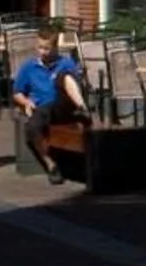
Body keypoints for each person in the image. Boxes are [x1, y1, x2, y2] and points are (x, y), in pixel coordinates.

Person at [10, 27, 91, 180]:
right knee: (32, 128)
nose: (42, 52)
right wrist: (26, 101)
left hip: (64, 106)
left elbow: (76, 84)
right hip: (42, 108)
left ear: (55, 48)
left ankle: (83, 109)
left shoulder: (66, 63)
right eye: (39, 47)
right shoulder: (29, 67)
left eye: (46, 48)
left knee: (65, 76)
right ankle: (51, 165)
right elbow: (17, 93)